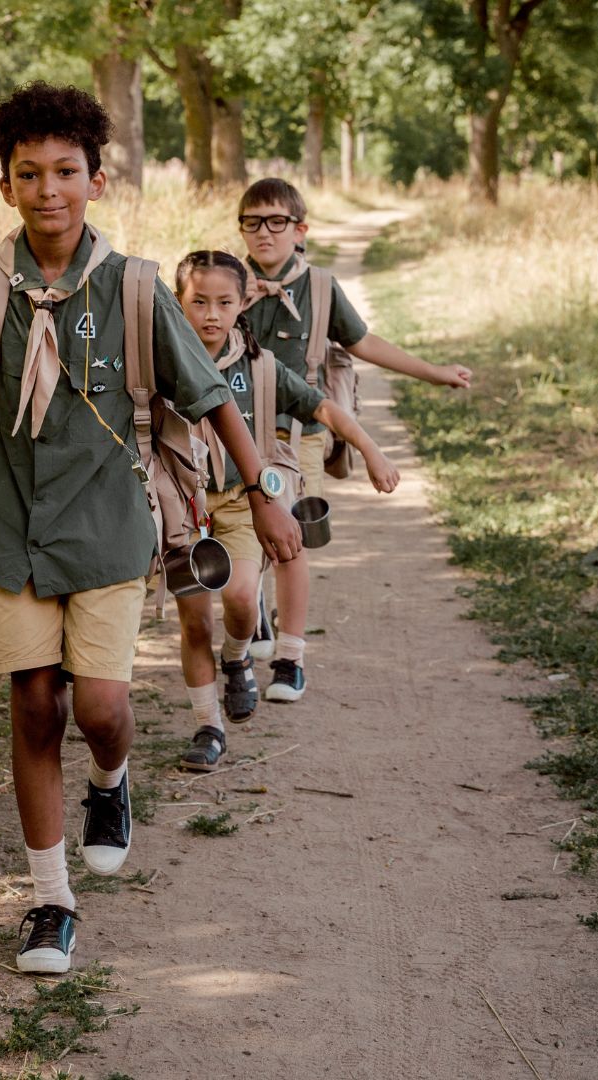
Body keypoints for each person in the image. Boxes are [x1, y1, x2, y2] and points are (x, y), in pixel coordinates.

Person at [0, 84, 302, 975]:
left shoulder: (137, 287)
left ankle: (111, 781)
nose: (47, 189)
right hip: (10, 529)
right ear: (5, 186)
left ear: (97, 181)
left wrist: (261, 490)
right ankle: (48, 901)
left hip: (106, 530)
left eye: (66, 171)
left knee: (100, 710)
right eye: (28, 173)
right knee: (33, 704)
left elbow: (211, 397)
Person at [236, 178, 471, 693]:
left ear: (300, 230)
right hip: (236, 434)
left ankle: (290, 658)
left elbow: (363, 343)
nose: (263, 233)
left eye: (276, 221)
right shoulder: (228, 283)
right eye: (251, 222)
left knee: (292, 538)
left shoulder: (320, 287)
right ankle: (251, 608)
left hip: (302, 434)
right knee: (243, 535)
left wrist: (433, 371)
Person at [173, 251, 400, 769]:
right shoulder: (162, 365)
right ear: (176, 304)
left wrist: (372, 450)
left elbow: (321, 407)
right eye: (198, 302)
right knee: (193, 624)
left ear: (242, 304)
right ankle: (208, 728)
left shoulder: (260, 367)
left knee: (240, 600)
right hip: (182, 506)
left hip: (240, 505)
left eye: (224, 302)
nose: (211, 314)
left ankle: (236, 659)